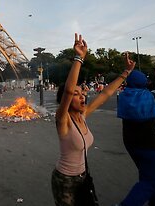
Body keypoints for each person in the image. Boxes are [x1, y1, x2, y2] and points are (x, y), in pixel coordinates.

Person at [52, 33, 135, 206]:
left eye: (83, 93)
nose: (82, 96)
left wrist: (125, 73)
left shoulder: (83, 115)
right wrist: (78, 58)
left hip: (84, 176)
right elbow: (67, 91)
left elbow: (105, 94)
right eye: (77, 95)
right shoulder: (63, 121)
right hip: (65, 180)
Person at [115, 70, 155, 206]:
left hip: (130, 143)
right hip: (149, 143)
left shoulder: (123, 96)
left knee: (146, 175)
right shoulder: (151, 97)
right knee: (152, 180)